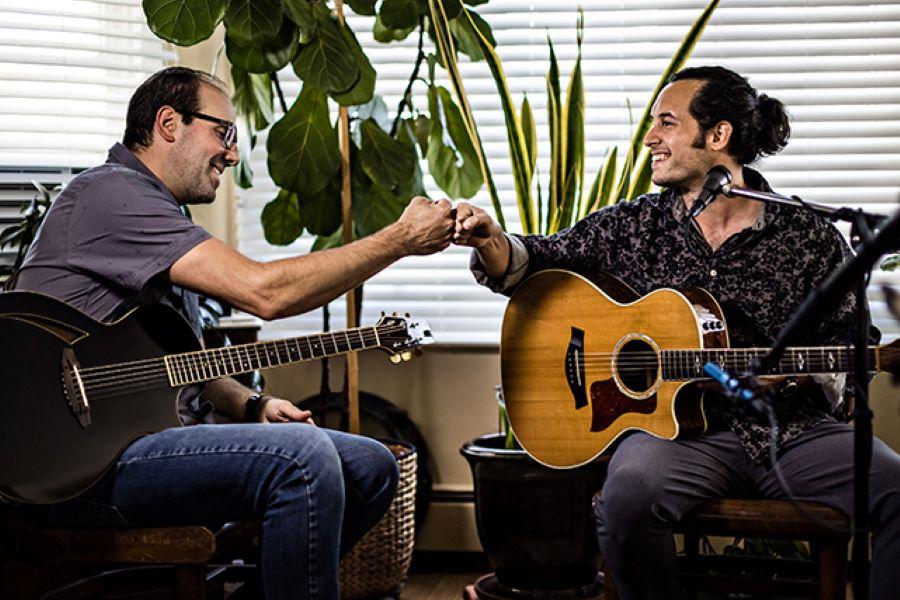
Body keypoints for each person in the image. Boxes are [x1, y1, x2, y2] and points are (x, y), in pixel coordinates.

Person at [453, 66, 900, 599]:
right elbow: (535, 263)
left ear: (718, 136)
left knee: (897, 490)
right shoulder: (633, 225)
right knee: (628, 495)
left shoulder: (807, 235)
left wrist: (796, 381)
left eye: (666, 122)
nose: (650, 138)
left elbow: (854, 343)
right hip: (677, 438)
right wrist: (489, 241)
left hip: (793, 433)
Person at [11, 66, 455, 599]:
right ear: (169, 123)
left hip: (142, 439)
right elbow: (264, 293)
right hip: (78, 468)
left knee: (371, 465)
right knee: (304, 458)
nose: (233, 154)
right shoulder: (110, 195)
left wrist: (251, 405)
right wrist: (400, 238)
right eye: (224, 133)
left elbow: (173, 363)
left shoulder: (158, 215)